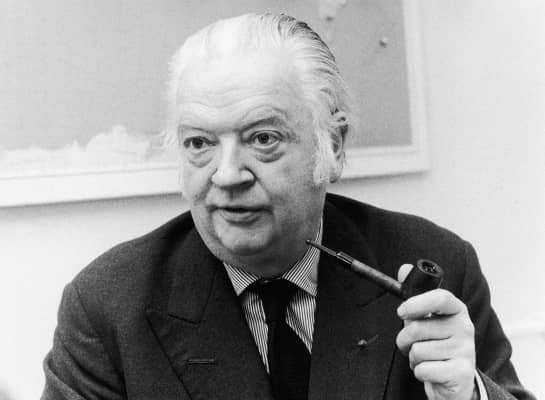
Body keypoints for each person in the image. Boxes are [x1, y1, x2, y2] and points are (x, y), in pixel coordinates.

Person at [42, 13, 534, 400]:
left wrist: (467, 395)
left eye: (263, 138)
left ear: (332, 146)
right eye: (199, 143)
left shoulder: (437, 265)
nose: (226, 174)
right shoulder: (108, 306)